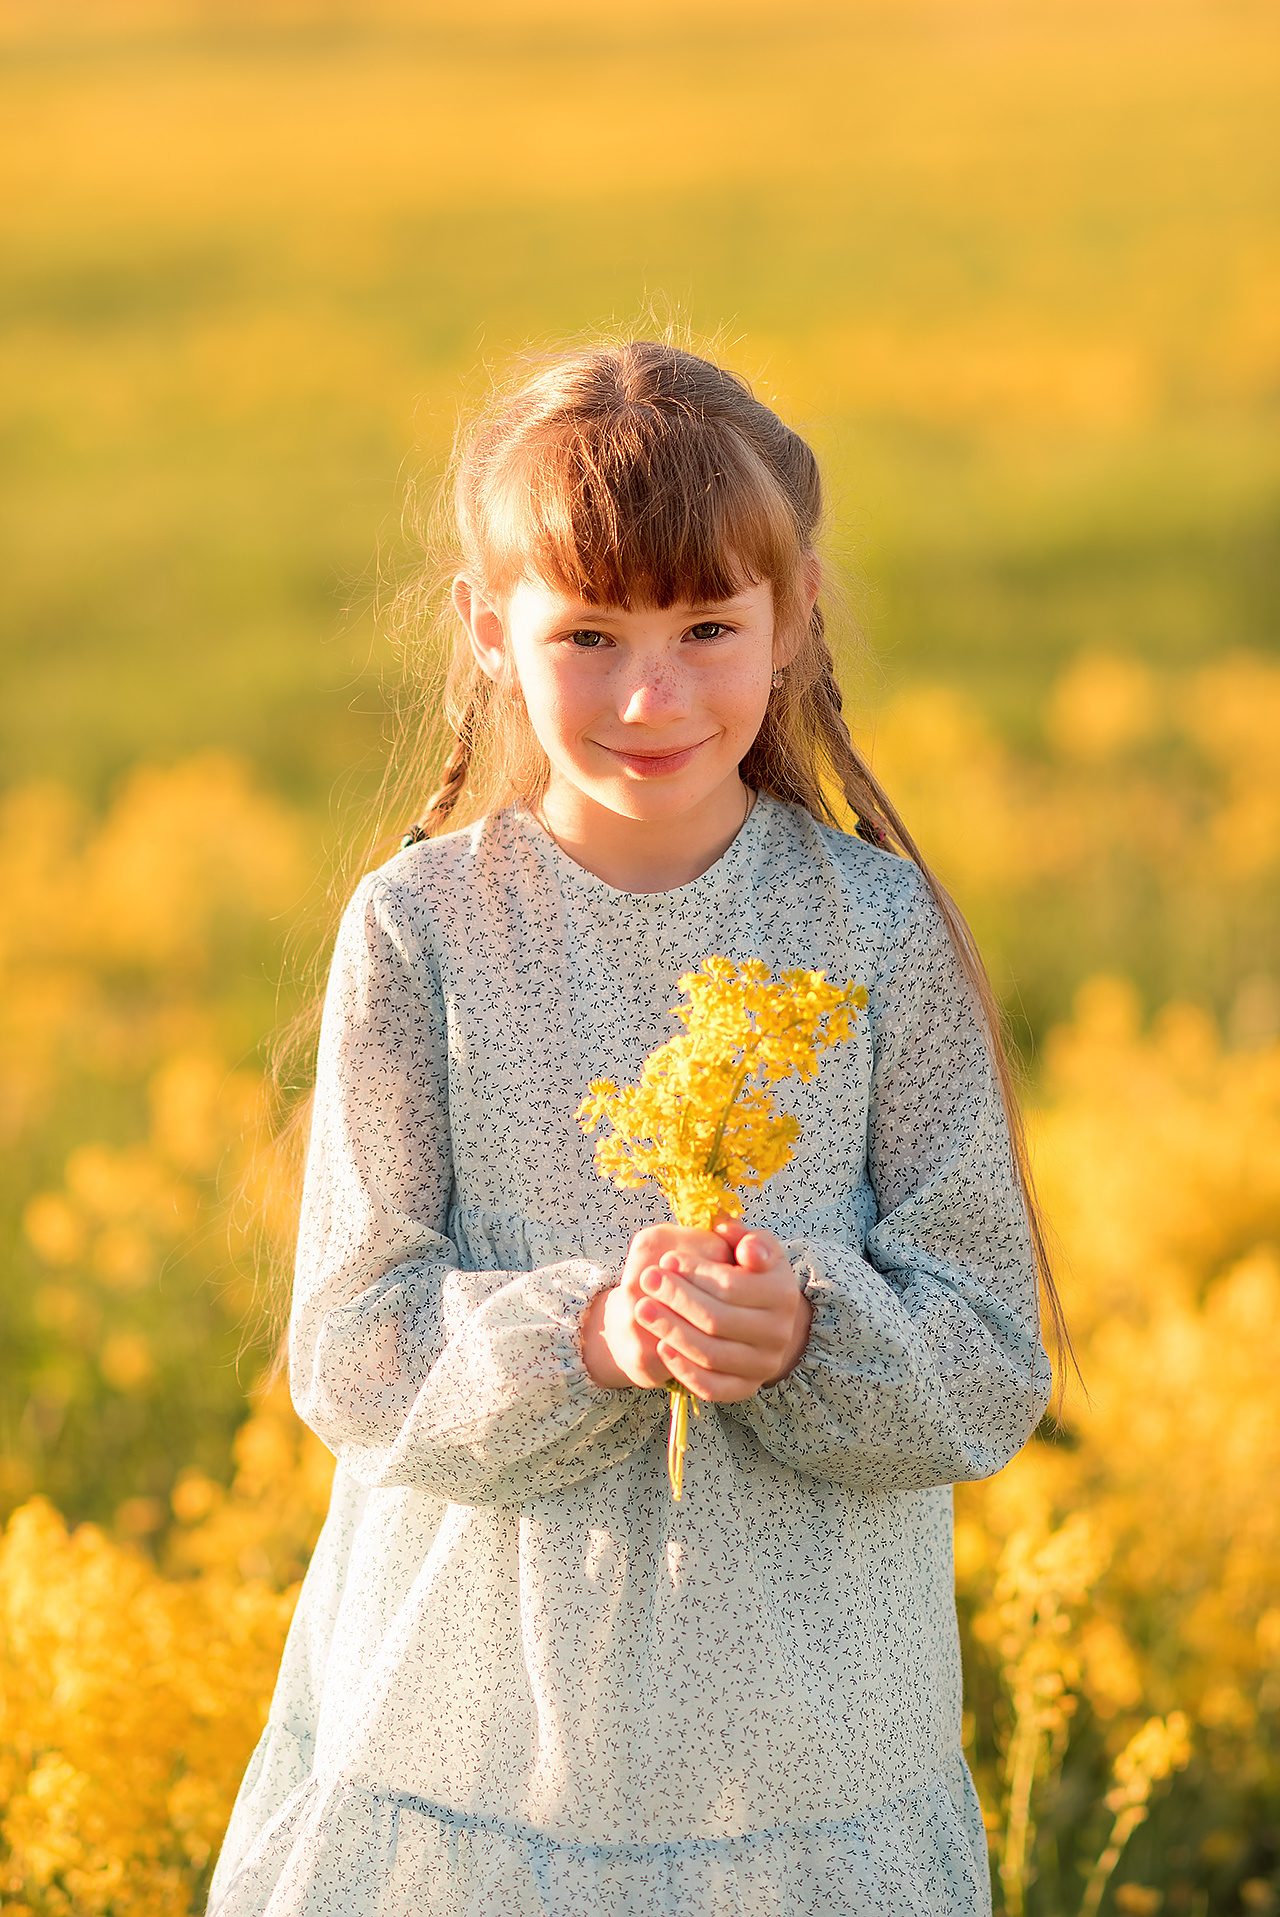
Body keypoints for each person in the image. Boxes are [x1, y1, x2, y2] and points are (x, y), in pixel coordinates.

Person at [208, 340, 1059, 1917]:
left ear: (794, 616)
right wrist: (587, 1336)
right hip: (480, 1753)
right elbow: (354, 1347)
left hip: (805, 1757)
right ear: (488, 626)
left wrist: (804, 1328)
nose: (650, 694)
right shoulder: (421, 930)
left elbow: (994, 1351)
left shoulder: (878, 931)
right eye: (588, 635)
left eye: (707, 628)